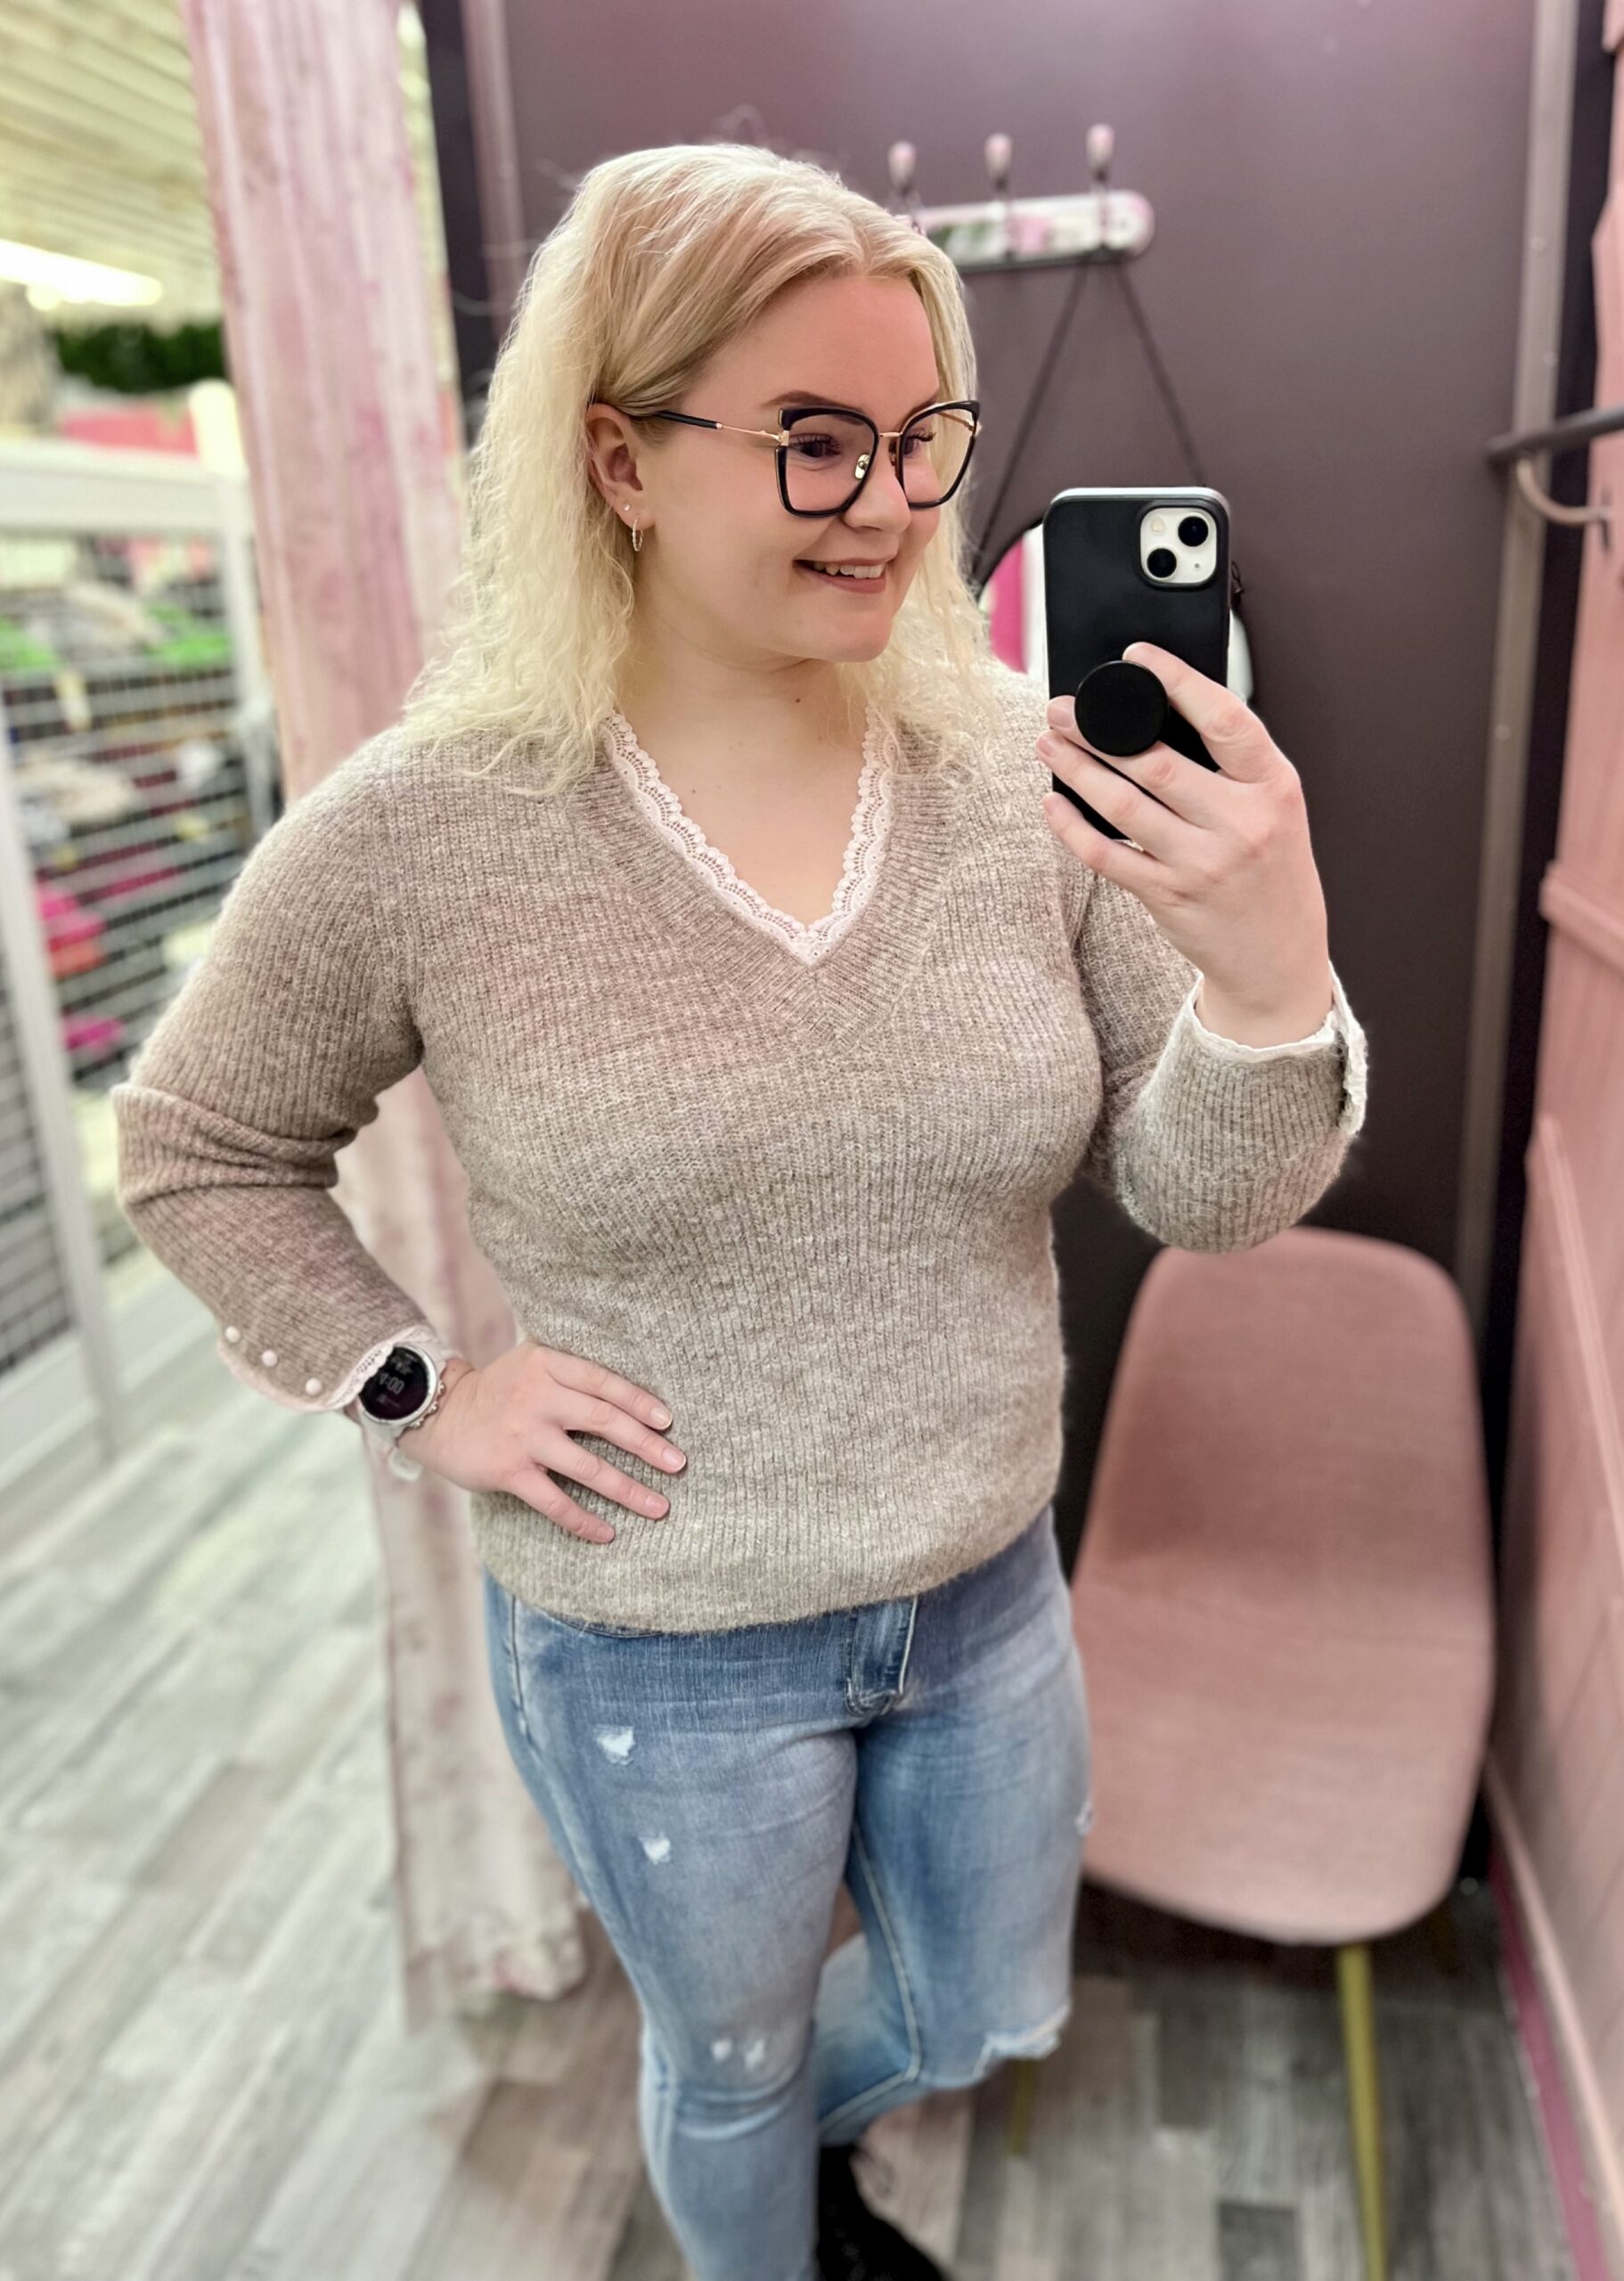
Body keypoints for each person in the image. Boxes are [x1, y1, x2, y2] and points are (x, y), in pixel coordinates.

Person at [112, 142, 1367, 2281]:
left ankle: (801, 2176)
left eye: (919, 435)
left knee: (983, 2012)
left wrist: (1269, 978)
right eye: (813, 439)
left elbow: (1199, 1192)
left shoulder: (1017, 771)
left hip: (985, 1586)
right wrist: (424, 1390)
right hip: (658, 1635)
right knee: (730, 2059)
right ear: (619, 456)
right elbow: (195, 1140)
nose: (889, 502)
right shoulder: (431, 827)